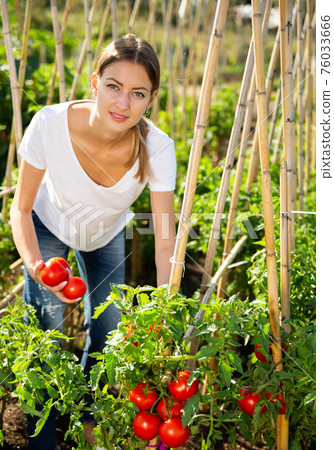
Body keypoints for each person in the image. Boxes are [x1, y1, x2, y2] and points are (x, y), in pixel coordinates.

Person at [10, 33, 177, 449]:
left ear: (151, 99)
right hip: (47, 226)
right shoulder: (49, 124)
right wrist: (36, 267)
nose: (123, 103)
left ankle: (87, 424)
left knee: (110, 333)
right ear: (94, 82)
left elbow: (165, 238)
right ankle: (43, 440)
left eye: (137, 93)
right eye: (113, 87)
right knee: (47, 334)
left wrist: (167, 309)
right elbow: (20, 208)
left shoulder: (157, 148)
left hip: (104, 234)